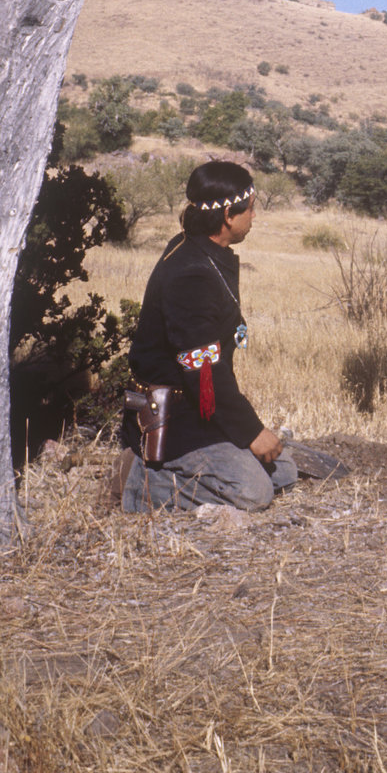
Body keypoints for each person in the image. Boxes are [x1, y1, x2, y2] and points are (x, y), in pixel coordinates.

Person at [119, 160, 297, 513]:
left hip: (199, 404)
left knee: (284, 471)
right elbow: (202, 369)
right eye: (250, 209)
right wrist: (250, 431)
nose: (254, 217)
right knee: (253, 492)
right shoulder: (192, 275)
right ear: (229, 215)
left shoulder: (201, 250)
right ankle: (134, 482)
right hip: (176, 416)